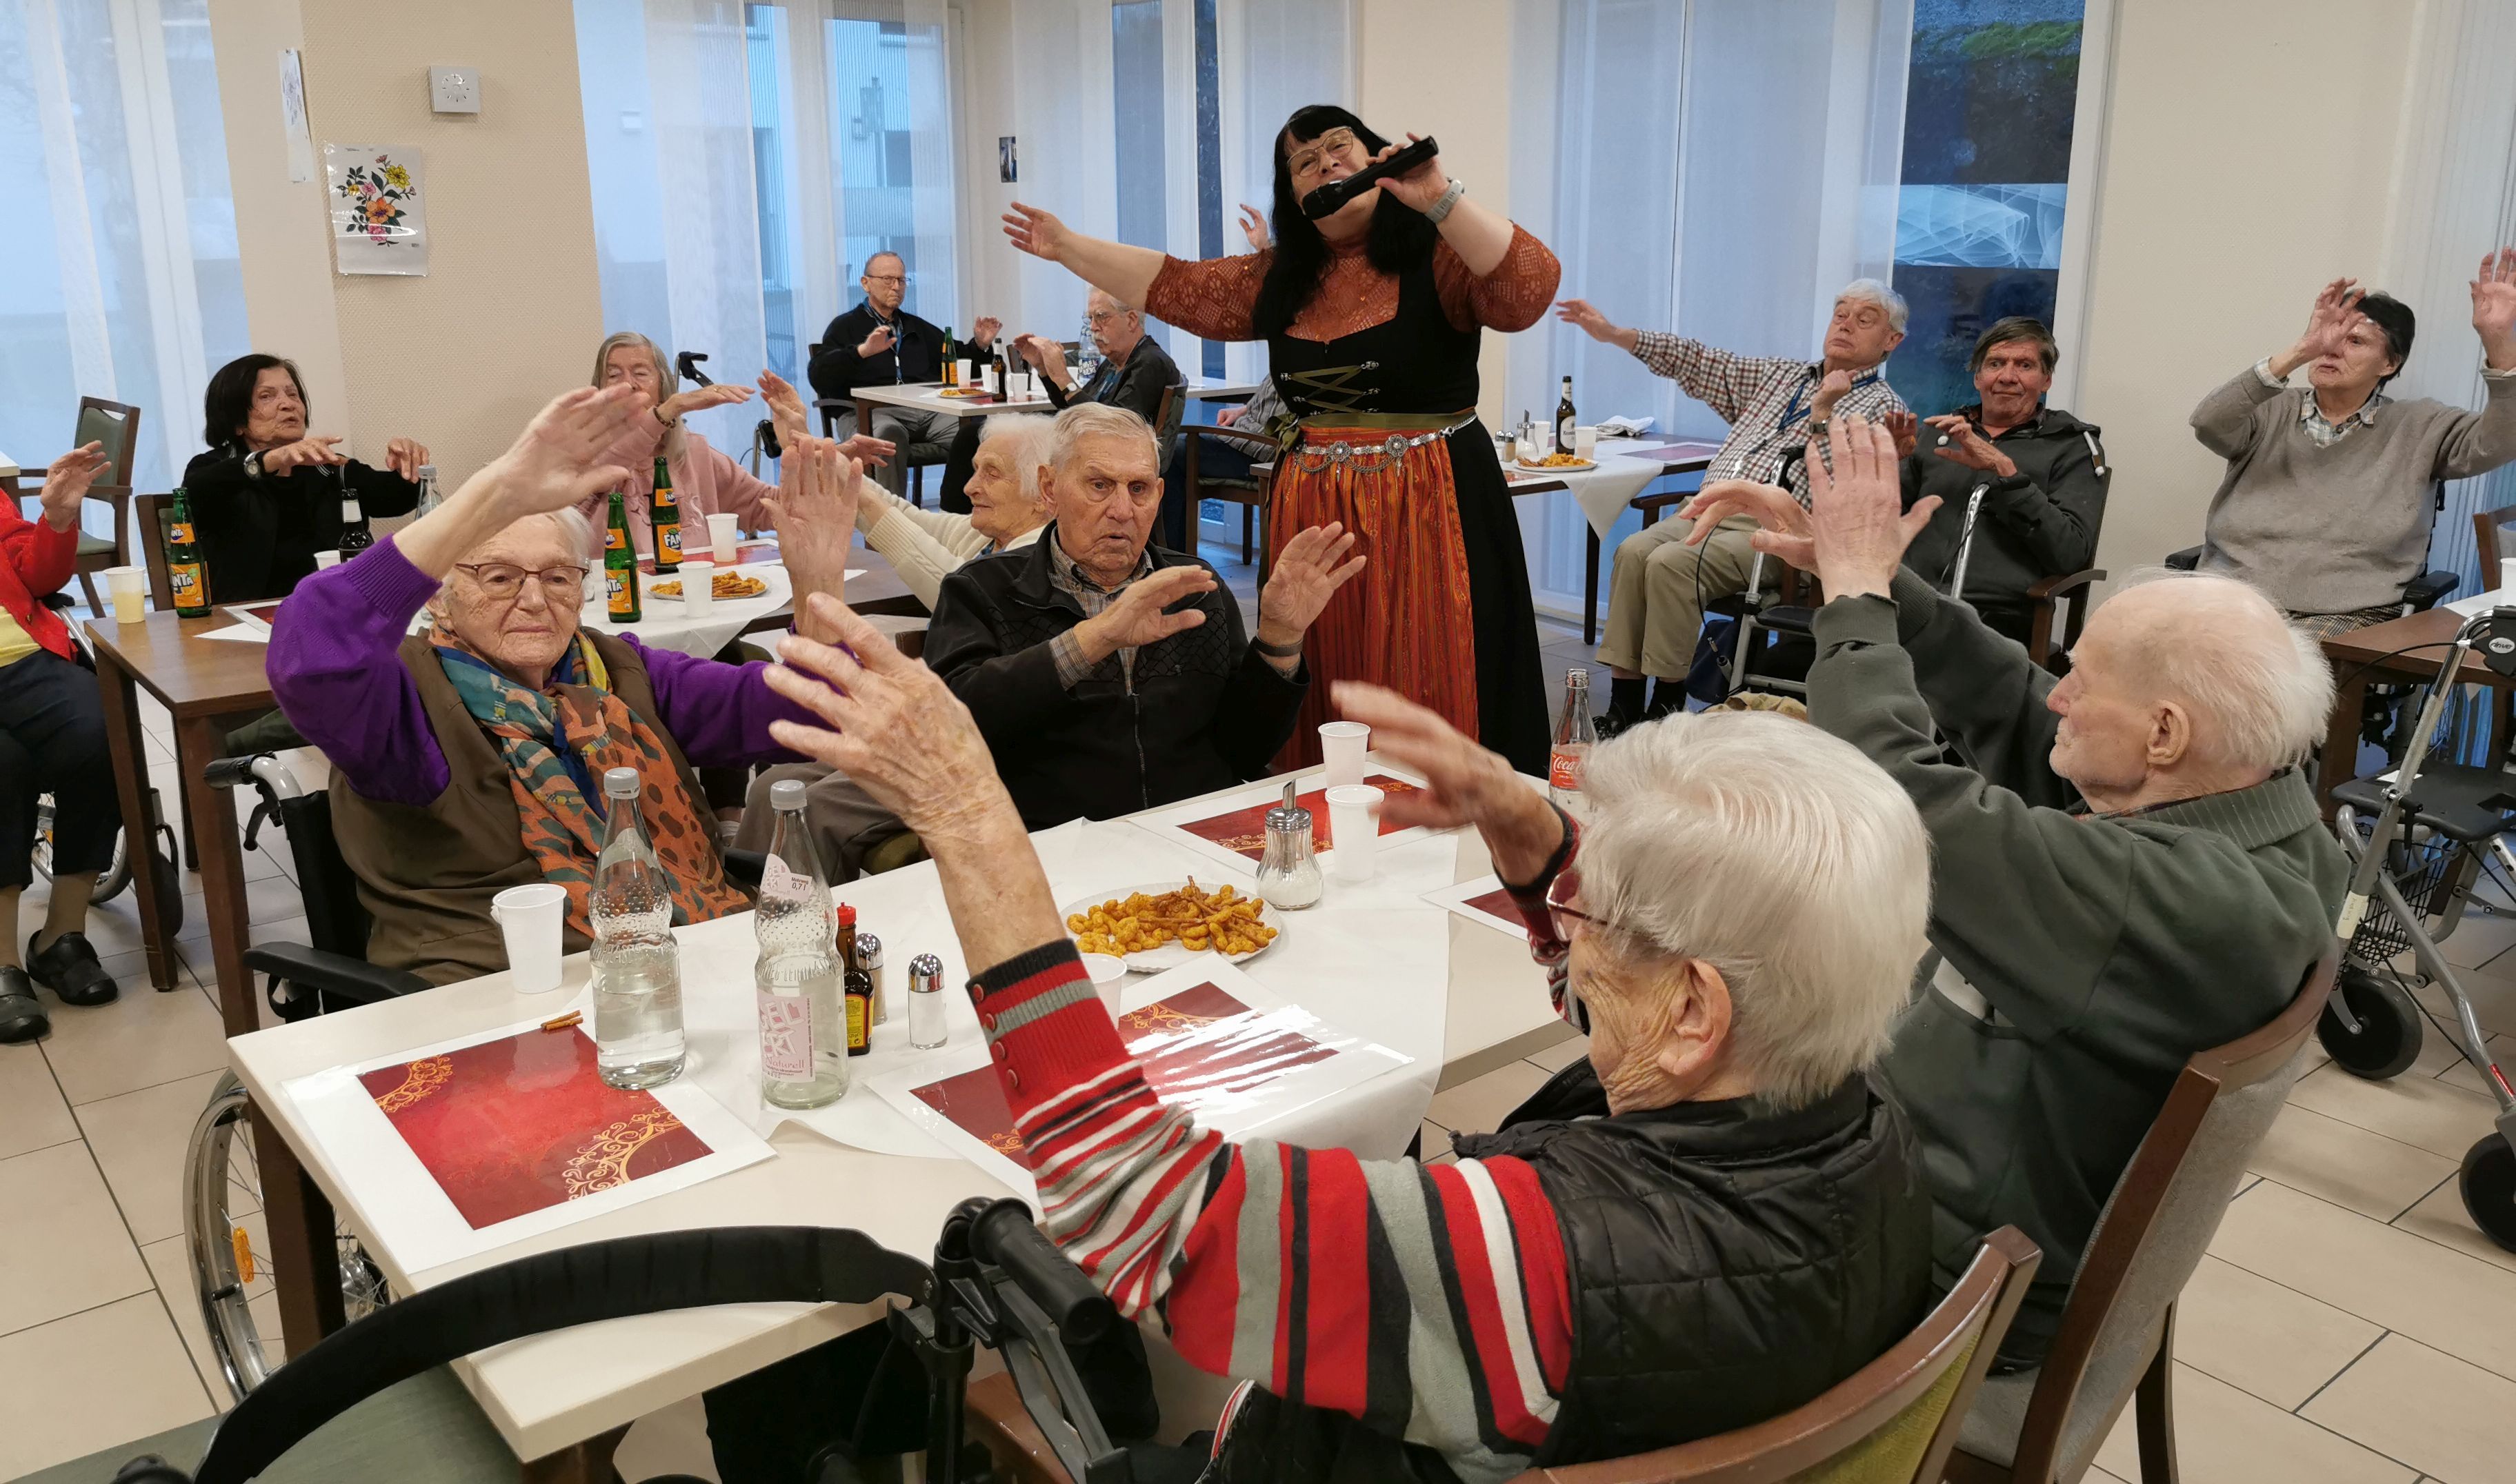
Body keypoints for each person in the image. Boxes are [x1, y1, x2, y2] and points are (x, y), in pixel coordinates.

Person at [755, 595, 1935, 1481]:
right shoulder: (1860, 1127)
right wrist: (1532, 830)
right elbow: (1661, 1001)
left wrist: (968, 813)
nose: (1570, 943)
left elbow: (1141, 1204)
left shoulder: (1543, 1258)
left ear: (1692, 1013)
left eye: (1593, 918)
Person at [1683, 416, 2348, 1367]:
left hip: (1936, 1267)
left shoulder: (2160, 897)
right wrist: (1866, 577)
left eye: (2081, 681)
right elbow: (2019, 706)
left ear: (2164, 734)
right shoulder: (2265, 815)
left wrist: (1858, 598)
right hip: (1946, 1193)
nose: (2059, 695)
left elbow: (1895, 795)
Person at [1006, 105, 1560, 774]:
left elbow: (1529, 290)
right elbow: (1175, 283)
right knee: (1318, 662)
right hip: (1315, 509)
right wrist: (1066, 245)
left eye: (1339, 146)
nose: (1326, 163)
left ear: (1376, 157)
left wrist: (1439, 197)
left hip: (1432, 506)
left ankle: (1449, 805)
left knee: (1432, 658)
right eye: (1304, 162)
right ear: (1294, 197)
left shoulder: (1438, 254)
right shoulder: (1280, 279)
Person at [268, 384, 861, 985]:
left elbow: (807, 713)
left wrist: (818, 583)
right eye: (498, 576)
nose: (534, 599)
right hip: (496, 988)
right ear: (440, 598)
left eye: (557, 577)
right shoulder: (407, 706)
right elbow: (312, 653)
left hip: (671, 959)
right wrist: (493, 493)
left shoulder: (615, 673)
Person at [921, 403, 1360, 828]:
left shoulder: (1196, 588)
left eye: (1138, 489)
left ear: (1159, 494)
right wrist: (1096, 638)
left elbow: (1245, 751)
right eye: (1099, 485)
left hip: (1192, 837)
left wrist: (1280, 638)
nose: (1122, 510)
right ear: (1050, 488)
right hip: (1056, 847)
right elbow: (948, 730)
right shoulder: (982, 590)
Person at [1558, 283, 1911, 732]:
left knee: (1670, 564)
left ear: (1891, 340)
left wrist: (1822, 412)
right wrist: (1615, 334)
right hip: (1707, 506)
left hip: (1778, 531)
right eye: (1841, 313)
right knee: (1632, 551)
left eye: (1864, 319)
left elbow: (1843, 487)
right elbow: (1698, 361)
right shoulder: (1781, 376)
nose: (1845, 324)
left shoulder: (1882, 407)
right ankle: (1623, 706)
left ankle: (1666, 705)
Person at [730, 414, 1055, 882]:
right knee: (772, 786)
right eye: (975, 470)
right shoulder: (987, 536)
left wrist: (845, 484)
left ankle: (809, 923)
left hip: (974, 754)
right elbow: (906, 517)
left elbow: (946, 580)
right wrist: (831, 465)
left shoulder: (1034, 557)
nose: (969, 487)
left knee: (808, 806)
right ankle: (745, 911)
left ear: (1044, 491)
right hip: (924, 733)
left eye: (991, 474)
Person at [2193, 250, 2516, 637]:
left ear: (2389, 364)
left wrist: (2498, 342)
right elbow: (2208, 422)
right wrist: (2301, 350)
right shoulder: (2267, 411)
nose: (2332, 349)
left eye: (2356, 341)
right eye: (2329, 337)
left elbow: (2498, 442)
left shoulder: (2420, 426)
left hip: (2344, 615)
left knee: (2272, 668)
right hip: (2227, 599)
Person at [1, 443, 123, 1041]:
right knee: (3, 765)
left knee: (103, 735)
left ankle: (60, 936)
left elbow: (36, 575)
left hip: (21, 656)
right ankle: (1, 962)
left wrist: (56, 519)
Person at [575, 331, 892, 557]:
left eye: (641, 373)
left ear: (663, 384)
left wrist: (825, 461)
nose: (628, 384)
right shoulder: (586, 457)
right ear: (599, 390)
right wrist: (669, 410)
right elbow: (614, 463)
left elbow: (772, 507)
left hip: (699, 602)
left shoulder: (695, 452)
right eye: (613, 375)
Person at [1898, 317, 2109, 647]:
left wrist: (2007, 474)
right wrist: (1887, 463)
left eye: (2024, 365)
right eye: (1996, 364)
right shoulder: (1939, 433)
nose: (2007, 377)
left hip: (1996, 616)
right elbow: (1881, 521)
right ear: (1978, 377)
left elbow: (2070, 554)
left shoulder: (2072, 447)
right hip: (1910, 598)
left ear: (2046, 380)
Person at [181, 353, 430, 601]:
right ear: (237, 421)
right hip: (246, 615)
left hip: (334, 608)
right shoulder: (214, 470)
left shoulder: (330, 468)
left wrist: (408, 466)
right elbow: (195, 492)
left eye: (293, 394)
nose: (288, 404)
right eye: (266, 396)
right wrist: (272, 460)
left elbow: (396, 499)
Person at [933, 287, 1182, 519]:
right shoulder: (1115, 363)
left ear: (1131, 320)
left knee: (972, 439)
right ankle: (975, 523)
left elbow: (1107, 430)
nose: (1093, 327)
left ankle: (961, 526)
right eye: (1090, 319)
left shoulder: (1150, 363)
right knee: (974, 436)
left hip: (1107, 456)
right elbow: (1072, 409)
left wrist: (1063, 376)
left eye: (1101, 317)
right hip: (1084, 446)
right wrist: (1044, 370)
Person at [806, 250, 1003, 487]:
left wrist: (980, 344)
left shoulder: (915, 326)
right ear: (866, 283)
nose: (896, 287)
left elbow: (957, 362)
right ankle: (889, 510)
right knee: (888, 435)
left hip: (925, 411)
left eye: (901, 280)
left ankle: (960, 507)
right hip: (866, 413)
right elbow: (819, 375)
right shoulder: (845, 327)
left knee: (980, 433)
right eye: (887, 279)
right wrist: (862, 352)